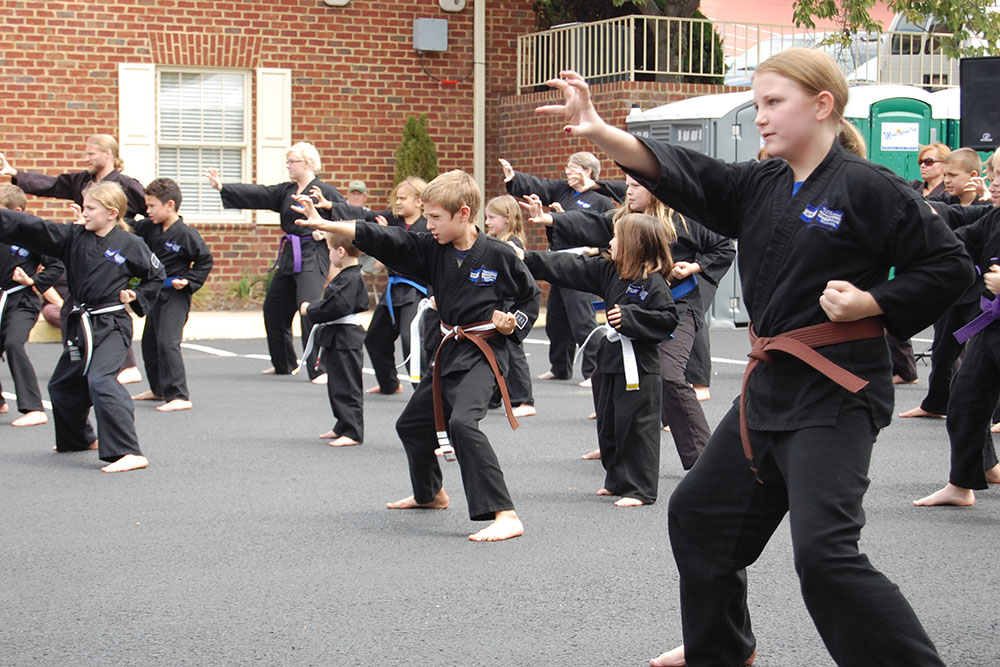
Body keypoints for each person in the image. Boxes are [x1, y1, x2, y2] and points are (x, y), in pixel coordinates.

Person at [535, 49, 971, 666]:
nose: (760, 117)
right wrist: (603, 132)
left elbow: (949, 267)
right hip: (769, 391)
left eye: (773, 103)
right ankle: (723, 648)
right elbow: (690, 174)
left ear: (822, 106)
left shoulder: (870, 188)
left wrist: (874, 300)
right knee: (699, 518)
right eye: (758, 103)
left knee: (824, 555)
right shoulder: (760, 183)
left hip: (836, 393)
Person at [291, 169, 540, 543]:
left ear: (464, 214)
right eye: (427, 216)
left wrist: (512, 324)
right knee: (411, 425)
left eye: (436, 217)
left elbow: (529, 297)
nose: (428, 224)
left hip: (485, 353)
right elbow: (386, 238)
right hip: (450, 349)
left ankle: (506, 513)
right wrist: (329, 224)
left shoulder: (498, 255)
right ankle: (430, 494)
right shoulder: (430, 248)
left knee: (462, 424)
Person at [525, 175, 733, 468]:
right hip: (632, 307)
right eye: (627, 185)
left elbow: (724, 248)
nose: (628, 191)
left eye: (635, 186)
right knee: (605, 373)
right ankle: (616, 444)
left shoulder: (685, 220)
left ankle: (705, 459)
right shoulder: (621, 219)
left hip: (676, 307)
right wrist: (550, 219)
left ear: (656, 190)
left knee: (668, 374)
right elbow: (590, 223)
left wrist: (695, 266)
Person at [0, 182, 165, 473]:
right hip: (82, 325)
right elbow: (34, 227)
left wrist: (135, 296)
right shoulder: (73, 237)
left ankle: (130, 451)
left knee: (101, 381)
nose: (83, 213)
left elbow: (155, 276)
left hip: (111, 325)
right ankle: (79, 439)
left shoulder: (131, 245)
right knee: (62, 385)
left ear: (112, 213)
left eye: (90, 208)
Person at [515, 213, 677, 505]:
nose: (610, 241)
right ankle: (616, 480)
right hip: (611, 359)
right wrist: (527, 258)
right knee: (610, 423)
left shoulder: (653, 282)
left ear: (635, 245)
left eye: (616, 237)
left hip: (639, 367)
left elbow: (667, 319)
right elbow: (571, 266)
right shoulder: (610, 271)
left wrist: (630, 317)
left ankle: (640, 488)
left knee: (637, 427)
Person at [1, 135, 146, 384]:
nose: (86, 158)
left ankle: (127, 366)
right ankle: (80, 360)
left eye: (91, 153)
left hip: (114, 257)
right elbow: (53, 184)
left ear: (108, 154)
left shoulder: (126, 185)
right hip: (86, 252)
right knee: (73, 308)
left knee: (108, 309)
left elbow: (153, 210)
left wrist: (133, 242)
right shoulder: (81, 181)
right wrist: (16, 173)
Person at [207, 142, 344, 381]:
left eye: (292, 161)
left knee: (309, 309)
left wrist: (327, 233)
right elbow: (259, 194)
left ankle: (319, 368)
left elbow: (345, 216)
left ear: (307, 163)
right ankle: (284, 363)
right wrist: (222, 187)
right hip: (291, 254)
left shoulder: (325, 192)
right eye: (288, 162)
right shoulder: (286, 191)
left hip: (313, 253)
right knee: (274, 309)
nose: (288, 166)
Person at [913, 146, 1000, 507]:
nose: (994, 184)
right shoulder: (995, 217)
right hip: (990, 327)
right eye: (994, 175)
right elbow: (962, 231)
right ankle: (962, 483)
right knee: (965, 401)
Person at [500, 152, 614, 384]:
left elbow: (608, 231)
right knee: (556, 321)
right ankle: (560, 367)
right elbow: (541, 185)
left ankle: (594, 372)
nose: (566, 172)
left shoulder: (601, 200)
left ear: (587, 171)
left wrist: (596, 250)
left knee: (582, 322)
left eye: (572, 168)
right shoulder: (563, 190)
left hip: (581, 266)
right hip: (557, 264)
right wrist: (514, 179)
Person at [899, 148, 988, 420]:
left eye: (952, 175)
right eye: (945, 174)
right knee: (943, 349)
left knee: (984, 353)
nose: (946, 180)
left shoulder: (986, 209)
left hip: (981, 294)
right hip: (955, 292)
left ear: (973, 177)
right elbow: (943, 212)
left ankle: (993, 415)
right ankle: (936, 404)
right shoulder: (946, 203)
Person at [130, 178, 214, 412]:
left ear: (169, 205)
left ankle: (179, 394)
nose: (148, 211)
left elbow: (205, 260)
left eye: (152, 206)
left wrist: (188, 280)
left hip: (175, 294)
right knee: (150, 344)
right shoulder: (149, 227)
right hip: (154, 293)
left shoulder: (186, 234)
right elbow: (126, 228)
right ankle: (158, 390)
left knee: (168, 342)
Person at [0, 184, 64, 427]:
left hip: (21, 301)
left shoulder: (32, 236)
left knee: (14, 344)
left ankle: (34, 408)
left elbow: (56, 266)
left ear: (17, 211)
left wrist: (33, 281)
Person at [299, 232, 369, 447]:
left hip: (347, 338)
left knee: (348, 386)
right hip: (337, 337)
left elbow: (336, 306)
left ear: (340, 251)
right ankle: (342, 424)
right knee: (337, 385)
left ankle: (353, 431)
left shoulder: (351, 278)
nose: (328, 253)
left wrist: (310, 308)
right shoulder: (345, 276)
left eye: (329, 249)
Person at [484, 194, 536, 418]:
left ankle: (524, 400)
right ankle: (495, 395)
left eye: (492, 218)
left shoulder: (512, 245)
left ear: (507, 219)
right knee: (495, 350)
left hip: (510, 304)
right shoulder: (496, 242)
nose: (487, 222)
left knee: (513, 351)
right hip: (499, 302)